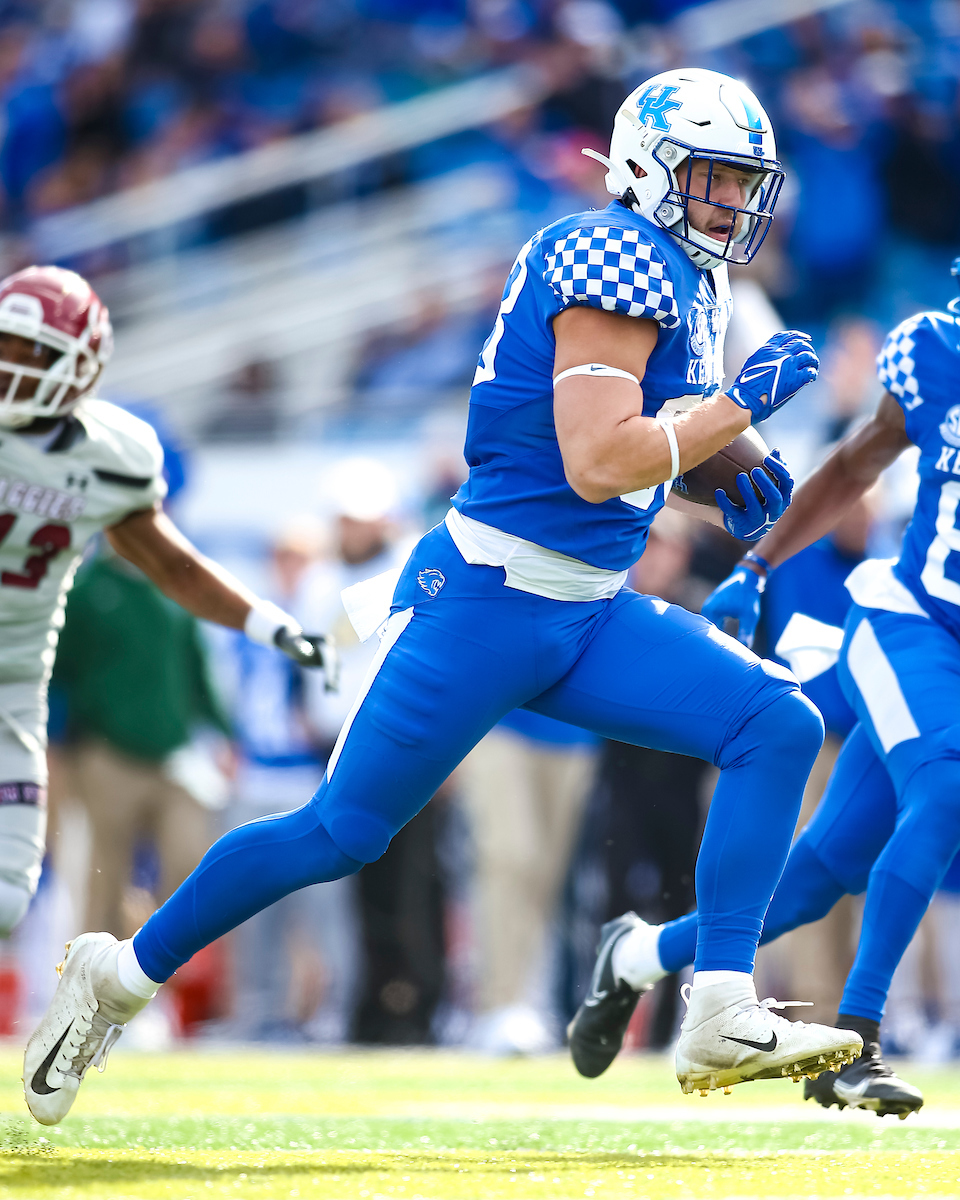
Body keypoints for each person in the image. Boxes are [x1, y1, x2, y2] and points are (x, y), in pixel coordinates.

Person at [26, 68, 860, 1127]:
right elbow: (597, 461)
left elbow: (628, 469)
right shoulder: (608, 250)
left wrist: (715, 486)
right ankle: (120, 974)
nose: (730, 205)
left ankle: (720, 1005)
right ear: (647, 170)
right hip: (490, 598)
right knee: (341, 832)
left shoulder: (691, 280)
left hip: (587, 607)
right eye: (709, 179)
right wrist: (735, 404)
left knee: (775, 723)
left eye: (742, 184)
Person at [569, 263, 960, 1119]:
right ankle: (857, 1043)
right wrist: (757, 563)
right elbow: (856, 462)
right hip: (914, 622)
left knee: (821, 872)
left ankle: (636, 957)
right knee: (944, 791)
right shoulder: (936, 348)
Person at [0, 261, 333, 975]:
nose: (11, 366)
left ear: (81, 367)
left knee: (7, 895)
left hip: (13, 689)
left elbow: (173, 566)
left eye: (33, 352)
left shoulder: (110, 456)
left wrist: (266, 623)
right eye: (5, 345)